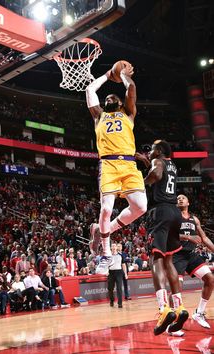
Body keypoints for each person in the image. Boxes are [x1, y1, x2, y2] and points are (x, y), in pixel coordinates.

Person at [85, 63, 147, 275]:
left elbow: (131, 90)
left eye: (113, 98)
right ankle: (106, 254)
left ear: (120, 103)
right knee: (105, 209)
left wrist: (122, 75)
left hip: (129, 165)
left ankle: (102, 230)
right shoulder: (98, 116)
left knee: (141, 207)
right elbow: (90, 90)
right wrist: (106, 75)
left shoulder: (128, 113)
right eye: (107, 99)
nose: (108, 99)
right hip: (109, 164)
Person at [143, 140, 188, 335]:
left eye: (152, 150)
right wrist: (147, 161)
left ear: (159, 151)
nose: (150, 152)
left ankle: (163, 309)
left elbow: (156, 174)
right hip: (174, 213)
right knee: (169, 258)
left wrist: (142, 183)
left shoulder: (159, 162)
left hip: (160, 212)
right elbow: (160, 170)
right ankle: (179, 307)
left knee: (156, 258)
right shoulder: (173, 165)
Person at [171, 194, 214, 330]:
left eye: (183, 198)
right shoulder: (173, 217)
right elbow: (167, 235)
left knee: (210, 279)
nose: (180, 199)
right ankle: (173, 320)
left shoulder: (194, 219)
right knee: (177, 288)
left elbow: (204, 238)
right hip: (176, 255)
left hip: (190, 255)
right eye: (177, 199)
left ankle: (199, 313)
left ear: (188, 202)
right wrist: (188, 237)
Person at [107, 243, 127, 308]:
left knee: (119, 288)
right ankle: (112, 301)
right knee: (110, 288)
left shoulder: (120, 255)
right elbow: (106, 265)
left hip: (119, 272)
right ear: (111, 248)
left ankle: (120, 303)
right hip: (111, 272)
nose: (113, 247)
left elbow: (123, 265)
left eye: (114, 246)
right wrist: (106, 271)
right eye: (112, 246)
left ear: (116, 247)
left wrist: (125, 274)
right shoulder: (108, 256)